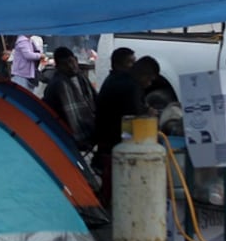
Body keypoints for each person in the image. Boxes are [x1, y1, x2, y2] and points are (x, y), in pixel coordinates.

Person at [93, 47, 148, 207]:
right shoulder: (127, 84)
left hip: (107, 136)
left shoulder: (114, 80)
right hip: (113, 138)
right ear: (118, 64)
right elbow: (133, 118)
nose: (133, 66)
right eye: (130, 63)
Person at [42, 46, 97, 151]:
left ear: (76, 60)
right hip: (67, 132)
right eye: (65, 64)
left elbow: (94, 100)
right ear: (58, 66)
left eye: (71, 62)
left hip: (89, 126)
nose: (70, 66)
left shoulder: (82, 78)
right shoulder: (57, 84)